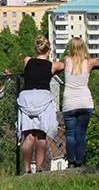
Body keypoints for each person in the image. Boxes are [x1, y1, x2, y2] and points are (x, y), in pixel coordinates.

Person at [17, 36, 64, 173]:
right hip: (42, 98)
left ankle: (26, 169)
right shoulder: (53, 66)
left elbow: (27, 64)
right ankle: (39, 167)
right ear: (48, 51)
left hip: (26, 98)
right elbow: (64, 64)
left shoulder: (27, 61)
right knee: (41, 135)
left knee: (29, 135)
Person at [61, 37, 99, 167]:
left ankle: (71, 162)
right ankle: (80, 161)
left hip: (69, 103)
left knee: (70, 134)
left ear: (71, 48)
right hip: (85, 102)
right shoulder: (89, 63)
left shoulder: (67, 60)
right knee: (81, 134)